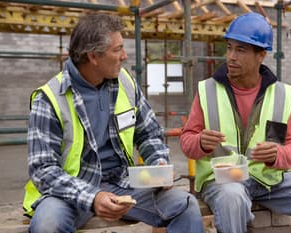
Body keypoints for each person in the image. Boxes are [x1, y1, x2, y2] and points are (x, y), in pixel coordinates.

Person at [23, 13, 205, 233]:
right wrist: (93, 197)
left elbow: (149, 134)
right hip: (70, 192)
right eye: (117, 49)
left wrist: (158, 163)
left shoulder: (126, 83)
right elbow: (43, 169)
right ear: (93, 56)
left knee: (184, 205)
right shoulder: (50, 98)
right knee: (47, 225)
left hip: (121, 183)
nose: (125, 56)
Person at [180, 12, 291, 233]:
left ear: (261, 55)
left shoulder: (281, 95)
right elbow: (187, 142)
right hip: (222, 181)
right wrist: (200, 142)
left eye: (241, 50)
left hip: (269, 181)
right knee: (232, 199)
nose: (231, 57)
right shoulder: (207, 90)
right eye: (229, 47)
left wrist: (277, 155)